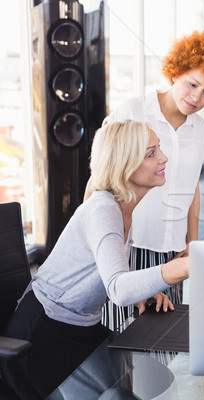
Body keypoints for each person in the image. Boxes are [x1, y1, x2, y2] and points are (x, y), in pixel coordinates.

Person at [1, 120, 190, 399]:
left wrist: (143, 293)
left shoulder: (123, 206)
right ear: (125, 164)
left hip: (80, 326)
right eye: (151, 153)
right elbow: (119, 288)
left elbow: (111, 276)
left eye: (158, 148)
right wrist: (179, 269)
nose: (163, 157)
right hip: (43, 336)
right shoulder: (103, 209)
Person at [91, 31, 204, 330]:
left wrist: (192, 240)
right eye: (192, 84)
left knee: (164, 347)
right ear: (176, 71)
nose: (196, 98)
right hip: (129, 246)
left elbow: (192, 185)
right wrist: (100, 247)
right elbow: (99, 181)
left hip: (171, 250)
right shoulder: (133, 111)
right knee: (122, 344)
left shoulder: (199, 128)